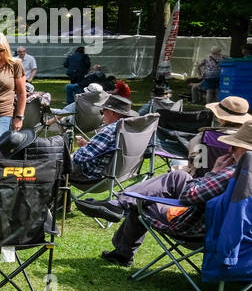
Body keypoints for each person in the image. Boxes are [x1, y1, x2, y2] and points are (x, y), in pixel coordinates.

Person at [88, 123, 252, 266]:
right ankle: (119, 204)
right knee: (179, 177)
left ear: (247, 151)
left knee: (142, 201)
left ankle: (122, 252)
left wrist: (214, 173)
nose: (229, 150)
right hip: (237, 235)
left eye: (234, 147)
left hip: (199, 229)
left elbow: (190, 196)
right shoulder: (244, 175)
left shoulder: (233, 173)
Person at [69, 93, 134, 183]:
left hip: (91, 175)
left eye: (102, 111)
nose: (102, 115)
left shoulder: (110, 130)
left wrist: (71, 155)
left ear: (112, 113)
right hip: (120, 175)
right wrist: (88, 146)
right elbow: (109, 150)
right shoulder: (130, 128)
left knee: (56, 163)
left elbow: (81, 158)